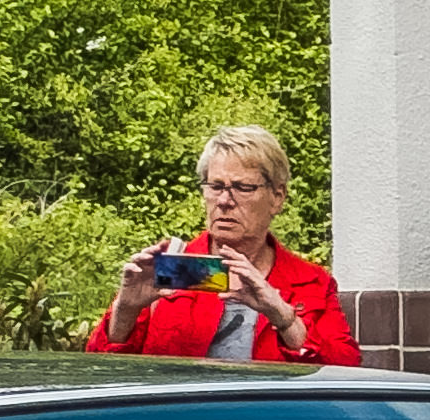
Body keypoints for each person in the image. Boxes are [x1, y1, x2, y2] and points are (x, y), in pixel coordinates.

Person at [88, 127, 352, 365]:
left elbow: (345, 373)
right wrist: (126, 310)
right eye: (215, 186)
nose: (224, 200)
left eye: (243, 187)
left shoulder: (310, 283)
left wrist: (284, 318)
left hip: (267, 406)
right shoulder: (170, 268)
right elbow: (103, 372)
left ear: (277, 197)